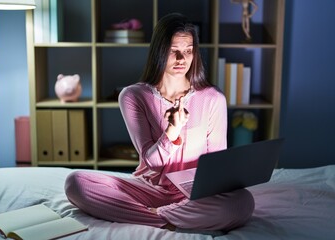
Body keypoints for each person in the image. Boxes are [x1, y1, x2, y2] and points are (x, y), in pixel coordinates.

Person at [65, 13, 254, 233]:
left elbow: (216, 166)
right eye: (173, 51)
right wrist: (171, 132)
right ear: (158, 51)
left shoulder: (213, 99)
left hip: (194, 192)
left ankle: (160, 214)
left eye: (188, 51)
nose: (182, 59)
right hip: (148, 188)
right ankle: (168, 219)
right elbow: (151, 162)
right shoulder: (133, 95)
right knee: (75, 182)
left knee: (243, 202)